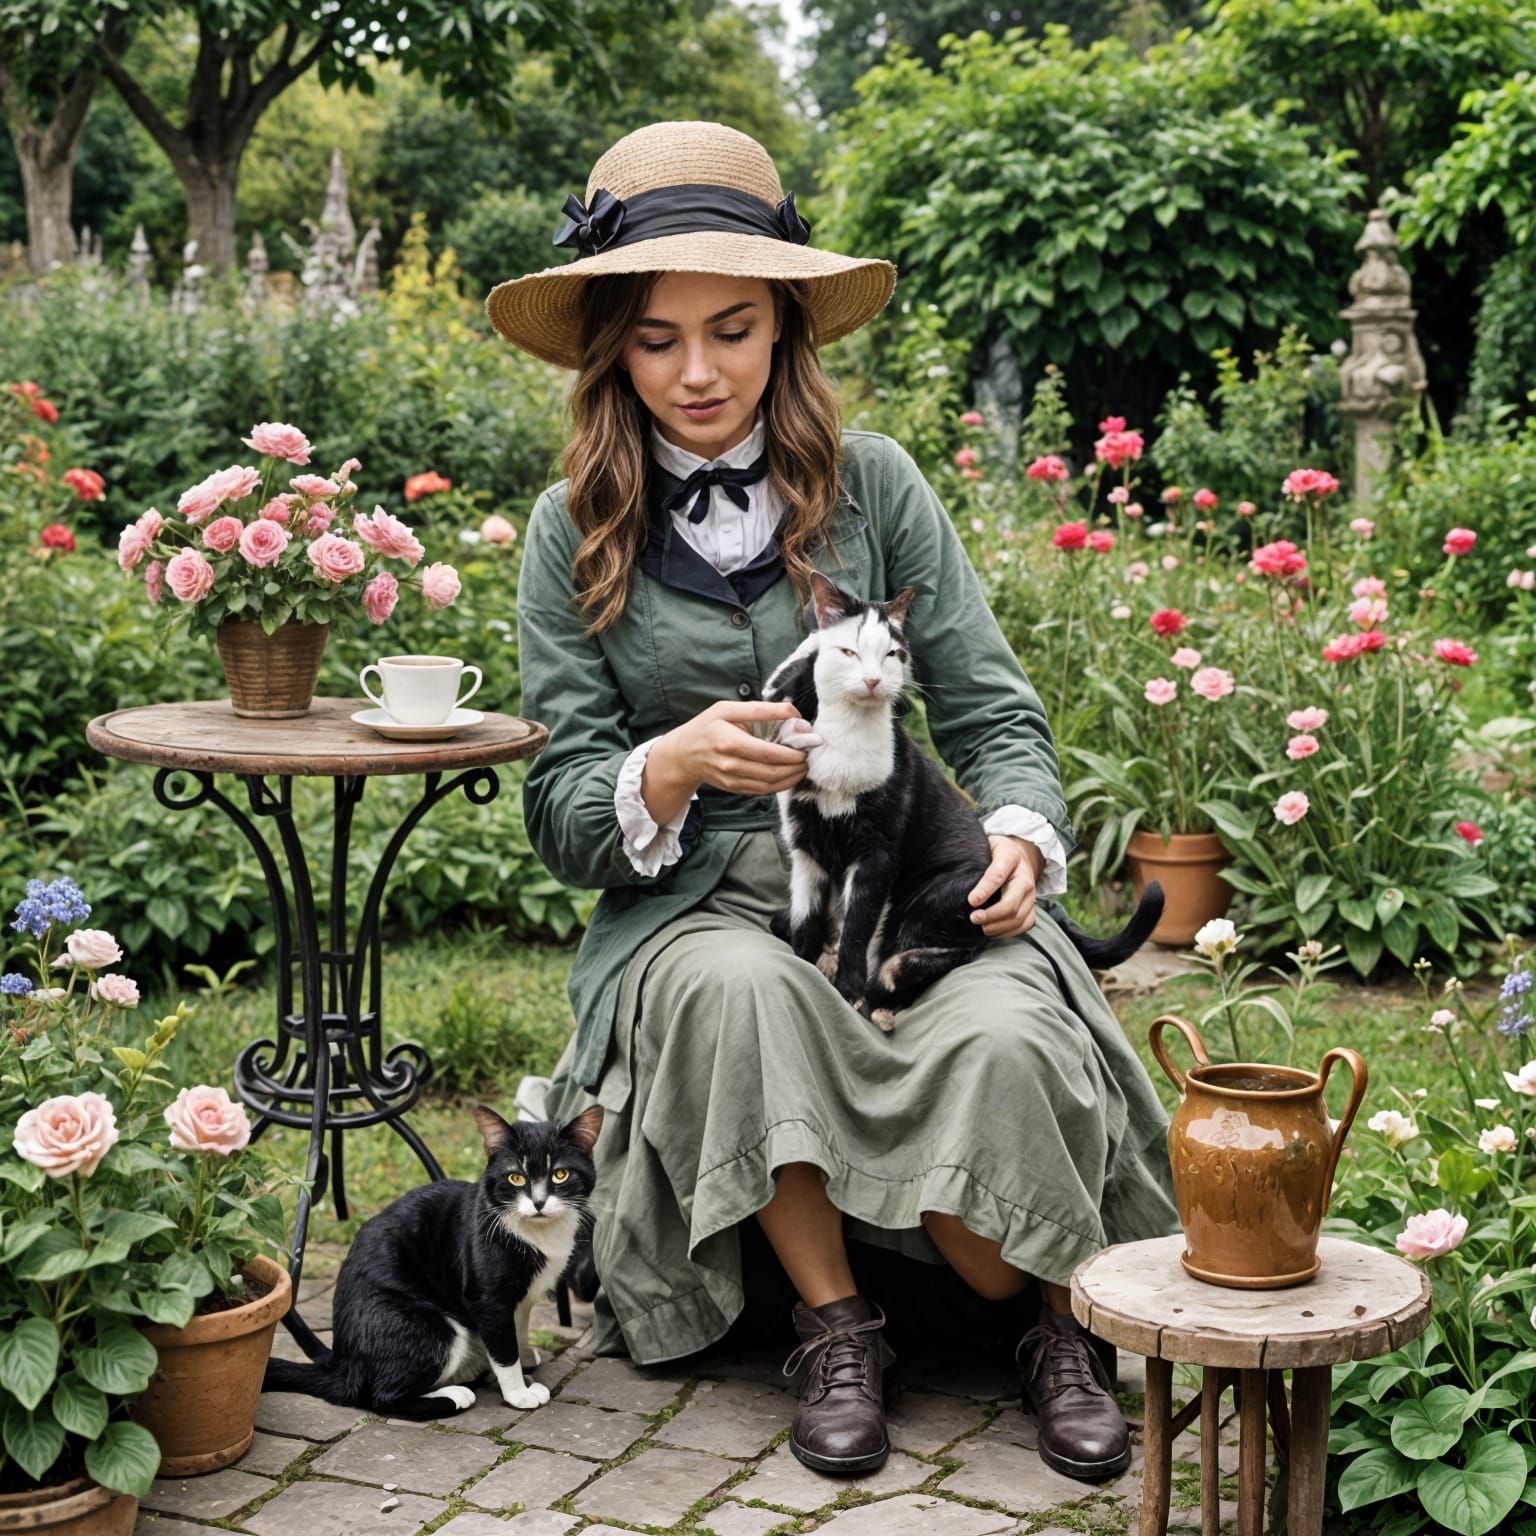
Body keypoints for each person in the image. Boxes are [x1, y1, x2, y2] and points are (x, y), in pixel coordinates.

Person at [488, 120, 1178, 1483]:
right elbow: (565, 810)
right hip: (701, 910)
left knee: (1006, 1030)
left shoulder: (878, 487)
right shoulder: (573, 528)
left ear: (787, 330)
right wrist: (668, 765)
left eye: (733, 331)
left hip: (908, 884)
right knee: (740, 998)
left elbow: (993, 712)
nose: (697, 372)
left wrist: (1020, 834)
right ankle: (835, 1326)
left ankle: (1051, 1324)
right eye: (656, 339)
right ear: (610, 350)